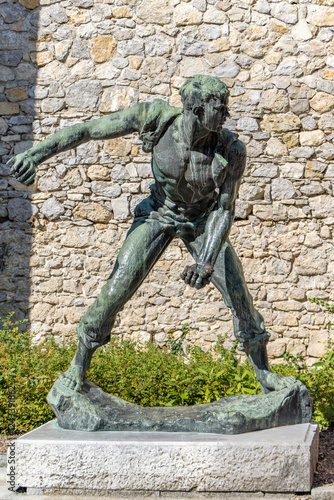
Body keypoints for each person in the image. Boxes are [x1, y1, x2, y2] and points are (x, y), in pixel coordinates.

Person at [9, 75, 295, 394]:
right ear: (197, 110)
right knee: (116, 289)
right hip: (158, 212)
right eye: (220, 109)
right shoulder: (155, 119)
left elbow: (225, 209)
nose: (227, 115)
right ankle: (77, 366)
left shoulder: (230, 149)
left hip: (201, 218)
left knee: (238, 293)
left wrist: (205, 260)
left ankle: (264, 373)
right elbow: (89, 130)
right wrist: (34, 156)